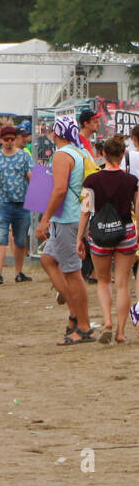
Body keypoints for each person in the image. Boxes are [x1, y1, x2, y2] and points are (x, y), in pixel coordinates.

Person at [37, 115, 93, 345]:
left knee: (72, 273)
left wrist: (45, 219)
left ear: (55, 133)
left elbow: (59, 189)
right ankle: (74, 313)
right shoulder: (81, 152)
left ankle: (84, 326)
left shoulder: (62, 155)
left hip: (66, 218)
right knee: (48, 259)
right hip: (74, 215)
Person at [78, 136, 139, 344]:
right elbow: (137, 210)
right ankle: (121, 333)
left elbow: (85, 212)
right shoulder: (132, 181)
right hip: (126, 232)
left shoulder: (91, 181)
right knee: (123, 284)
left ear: (103, 154)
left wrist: (80, 238)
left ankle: (107, 322)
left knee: (103, 281)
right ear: (122, 155)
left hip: (100, 234)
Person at [0, 124, 34, 285]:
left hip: (21, 204)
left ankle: (19, 272)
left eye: (12, 139)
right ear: (1, 140)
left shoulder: (24, 156)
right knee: (0, 238)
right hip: (2, 203)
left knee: (20, 240)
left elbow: (30, 176)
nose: (9, 142)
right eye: (6, 139)